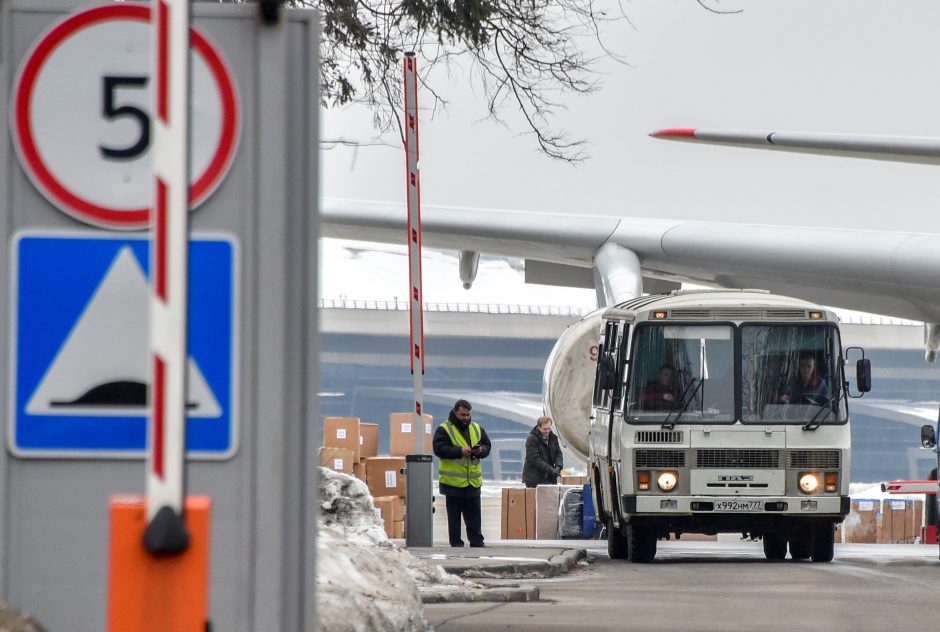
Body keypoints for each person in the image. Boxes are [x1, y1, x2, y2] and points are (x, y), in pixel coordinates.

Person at [433, 399, 492, 547]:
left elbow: (487, 445)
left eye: (467, 415)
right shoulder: (444, 429)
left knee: (474, 516)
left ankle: (477, 542)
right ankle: (456, 544)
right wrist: (459, 451)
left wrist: (481, 451)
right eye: (462, 415)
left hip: (472, 482)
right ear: (455, 412)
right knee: (454, 518)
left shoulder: (477, 428)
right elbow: (439, 449)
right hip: (452, 482)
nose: (465, 417)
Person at [522, 416, 564, 488]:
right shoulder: (532, 439)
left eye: (549, 428)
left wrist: (558, 467)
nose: (547, 431)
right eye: (545, 429)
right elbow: (535, 459)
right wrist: (550, 470)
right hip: (535, 479)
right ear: (539, 427)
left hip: (550, 478)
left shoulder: (553, 438)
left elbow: (558, 454)